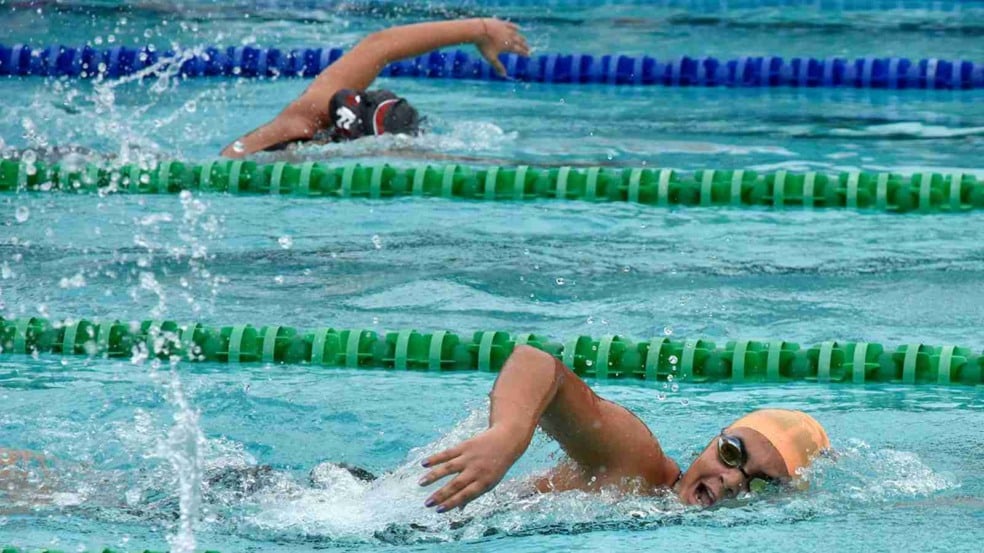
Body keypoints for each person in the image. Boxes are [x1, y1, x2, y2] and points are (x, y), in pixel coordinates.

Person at [418, 345, 830, 512]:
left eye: (759, 484)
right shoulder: (638, 465)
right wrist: (507, 436)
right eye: (732, 453)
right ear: (714, 439)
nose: (728, 481)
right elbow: (535, 363)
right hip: (403, 506)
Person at [220, 18, 530, 157]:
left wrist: (481, 29)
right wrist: (480, 29)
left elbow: (378, 46)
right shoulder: (307, 121)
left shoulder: (308, 120)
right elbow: (378, 47)